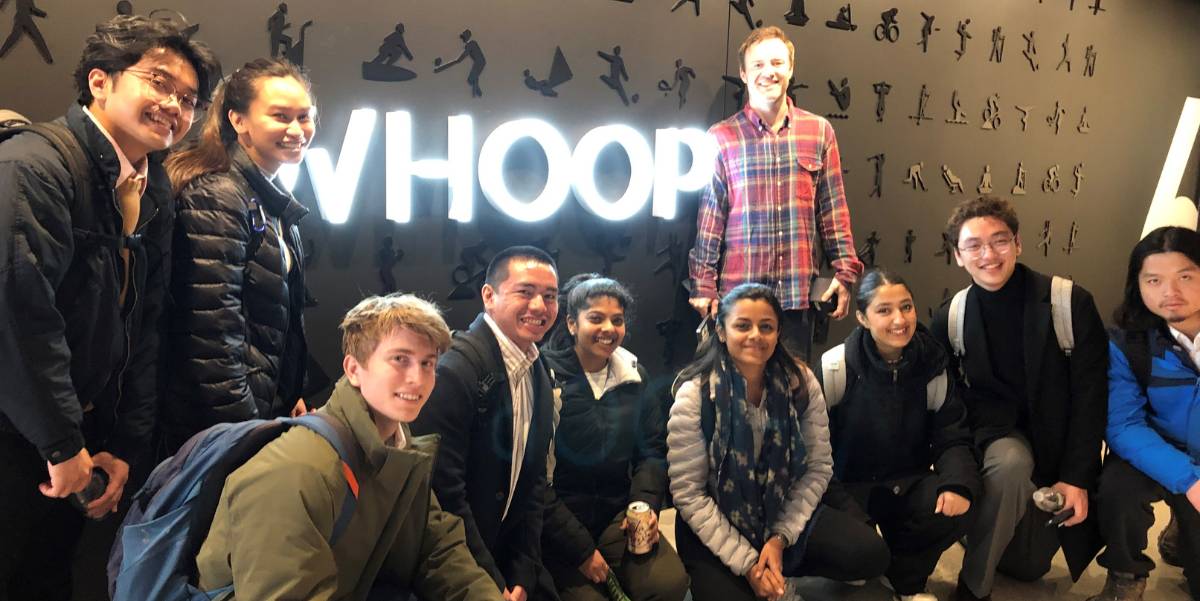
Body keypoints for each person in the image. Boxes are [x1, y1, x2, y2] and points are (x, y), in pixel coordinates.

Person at [0, 14, 218, 600]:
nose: (174, 105)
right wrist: (61, 443)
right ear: (100, 81)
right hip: (21, 438)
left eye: (189, 98)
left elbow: (145, 325)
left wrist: (124, 447)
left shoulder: (155, 189)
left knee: (48, 580)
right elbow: (17, 319)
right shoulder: (33, 167)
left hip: (83, 439)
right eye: (159, 83)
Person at [195, 293, 504, 601]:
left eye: (428, 364)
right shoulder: (297, 470)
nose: (417, 378)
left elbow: (437, 551)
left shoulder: (398, 452)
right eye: (401, 359)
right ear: (354, 369)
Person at [928, 195, 1107, 601]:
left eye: (1000, 240)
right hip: (996, 439)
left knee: (1028, 568)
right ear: (958, 255)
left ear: (1018, 244)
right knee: (1010, 464)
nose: (988, 254)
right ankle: (975, 586)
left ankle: (994, 529)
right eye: (973, 245)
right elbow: (946, 405)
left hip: (1057, 441)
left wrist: (1077, 477)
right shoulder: (950, 316)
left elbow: (1091, 397)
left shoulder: (1069, 302)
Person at [668, 283, 888, 601]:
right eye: (742, 325)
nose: (755, 335)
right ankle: (760, 577)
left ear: (778, 332)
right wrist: (748, 565)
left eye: (766, 326)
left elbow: (818, 468)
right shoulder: (696, 395)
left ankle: (777, 568)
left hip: (782, 513)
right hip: (718, 523)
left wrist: (779, 539)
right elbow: (689, 495)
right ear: (720, 331)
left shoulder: (800, 382)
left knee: (870, 553)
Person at [162, 58, 316, 453]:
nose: (297, 130)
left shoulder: (268, 199)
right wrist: (247, 430)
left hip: (256, 417)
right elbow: (211, 336)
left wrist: (286, 394)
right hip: (216, 432)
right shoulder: (218, 196)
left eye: (305, 116)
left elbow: (270, 324)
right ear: (238, 120)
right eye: (281, 116)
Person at [688, 26, 863, 361]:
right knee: (736, 401)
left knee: (793, 400)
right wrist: (703, 285)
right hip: (738, 298)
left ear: (790, 68)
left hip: (796, 300)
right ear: (742, 73)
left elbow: (833, 210)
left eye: (777, 62)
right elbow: (711, 218)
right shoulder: (722, 136)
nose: (768, 71)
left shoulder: (819, 131)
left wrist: (844, 272)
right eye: (757, 65)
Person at [410, 246, 560, 601]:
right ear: (489, 296)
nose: (539, 306)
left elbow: (534, 479)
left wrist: (523, 570)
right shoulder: (455, 371)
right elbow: (443, 493)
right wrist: (492, 579)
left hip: (506, 553)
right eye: (526, 292)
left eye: (550, 296)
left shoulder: (537, 367)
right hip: (454, 559)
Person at [822, 269, 981, 601]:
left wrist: (956, 483)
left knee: (963, 501)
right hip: (847, 488)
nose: (900, 319)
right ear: (862, 318)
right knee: (858, 551)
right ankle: (867, 565)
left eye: (906, 307)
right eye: (884, 310)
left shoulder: (933, 365)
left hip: (908, 483)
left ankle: (906, 581)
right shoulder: (835, 368)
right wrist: (852, 515)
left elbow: (953, 434)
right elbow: (814, 455)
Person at [539, 274, 689, 601]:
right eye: (596, 318)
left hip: (616, 516)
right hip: (555, 527)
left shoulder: (634, 375)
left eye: (617, 320)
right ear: (571, 323)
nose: (608, 328)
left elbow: (651, 452)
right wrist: (580, 551)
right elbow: (534, 480)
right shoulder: (542, 377)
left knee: (669, 583)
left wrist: (646, 507)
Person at [1091, 226, 1200, 601]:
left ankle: (1182, 536)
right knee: (1118, 490)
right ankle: (1125, 574)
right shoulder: (1128, 340)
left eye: (1185, 276)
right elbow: (1123, 425)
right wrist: (1189, 480)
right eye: (1154, 280)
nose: (1170, 293)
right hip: (1155, 449)